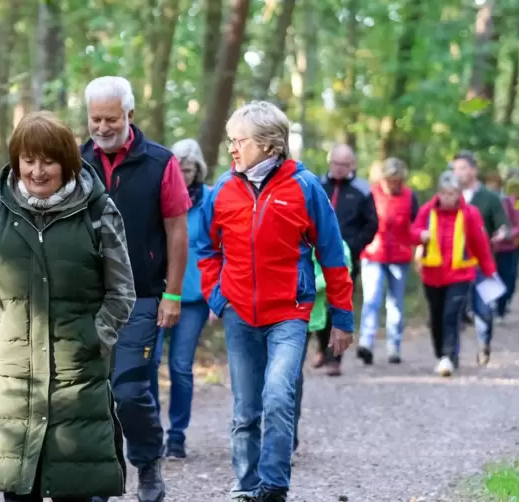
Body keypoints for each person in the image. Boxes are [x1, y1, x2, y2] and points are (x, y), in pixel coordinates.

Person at [0, 111, 135, 502]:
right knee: (19, 491)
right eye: (28, 160)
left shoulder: (97, 211)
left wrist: (96, 336)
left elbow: (122, 291)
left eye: (48, 160)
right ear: (17, 160)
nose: (37, 171)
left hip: (75, 376)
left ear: (67, 162)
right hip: (10, 374)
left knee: (75, 490)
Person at [197, 100, 354, 502]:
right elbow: (206, 248)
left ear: (270, 144)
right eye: (230, 140)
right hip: (238, 313)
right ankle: (246, 485)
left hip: (289, 313)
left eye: (240, 141)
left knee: (279, 394)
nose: (232, 149)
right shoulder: (223, 190)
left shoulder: (305, 188)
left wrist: (342, 318)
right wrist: (218, 297)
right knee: (245, 408)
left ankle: (273, 487)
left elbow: (333, 256)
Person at [80, 76, 191, 502]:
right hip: (88, 298)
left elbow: (177, 230)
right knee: (93, 393)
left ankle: (147, 460)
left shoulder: (160, 162)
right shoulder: (74, 161)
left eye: (111, 118)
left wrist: (174, 293)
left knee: (128, 391)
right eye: (95, 119)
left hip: (143, 295)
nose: (102, 127)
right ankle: (102, 477)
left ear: (129, 115)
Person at [149, 138, 211, 459]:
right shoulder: (159, 194)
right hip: (159, 291)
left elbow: (220, 249)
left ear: (197, 170)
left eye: (187, 170)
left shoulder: (210, 200)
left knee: (181, 366)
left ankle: (177, 435)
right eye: (178, 169)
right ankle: (152, 432)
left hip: (195, 297)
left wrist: (218, 296)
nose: (182, 175)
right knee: (149, 363)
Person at [411, 171, 496, 377]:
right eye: (444, 193)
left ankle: (448, 356)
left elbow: (480, 243)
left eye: (453, 194)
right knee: (436, 316)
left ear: (459, 194)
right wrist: (421, 235)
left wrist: (489, 271)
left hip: (460, 274)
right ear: (438, 193)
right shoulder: (426, 211)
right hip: (432, 275)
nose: (448, 198)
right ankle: (442, 353)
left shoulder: (470, 213)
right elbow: (412, 232)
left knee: (451, 315)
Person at [316, 144, 378, 376]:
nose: (339, 169)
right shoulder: (318, 185)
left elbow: (372, 224)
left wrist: (353, 246)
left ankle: (335, 358)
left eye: (344, 165)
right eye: (335, 163)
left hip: (346, 259)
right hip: (317, 256)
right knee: (317, 303)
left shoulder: (362, 190)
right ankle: (323, 347)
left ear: (352, 165)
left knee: (339, 304)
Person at [356, 157, 418, 365]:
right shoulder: (371, 194)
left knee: (395, 303)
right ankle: (366, 343)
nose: (391, 183)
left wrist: (418, 247)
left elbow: (417, 225)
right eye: (388, 179)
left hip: (399, 256)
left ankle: (394, 346)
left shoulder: (410, 197)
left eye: (395, 179)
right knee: (371, 300)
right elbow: (362, 222)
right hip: (374, 254)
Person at [293, 241, 351, 454]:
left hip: (317, 305)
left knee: (291, 376)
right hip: (283, 307)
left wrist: (310, 285)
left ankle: (288, 440)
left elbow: (342, 265)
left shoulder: (329, 233)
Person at [452, 151, 508, 366]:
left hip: (481, 263)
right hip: (455, 263)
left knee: (483, 308)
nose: (458, 173)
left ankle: (484, 343)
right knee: (453, 307)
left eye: (463, 168)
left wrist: (501, 233)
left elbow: (502, 224)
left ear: (474, 170)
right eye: (455, 169)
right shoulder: (450, 195)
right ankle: (452, 353)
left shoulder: (489, 198)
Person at [493, 181, 519, 320]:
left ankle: (501, 308)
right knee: (492, 277)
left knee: (506, 277)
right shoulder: (488, 201)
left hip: (507, 248)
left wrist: (507, 234)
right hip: (490, 248)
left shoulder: (511, 203)